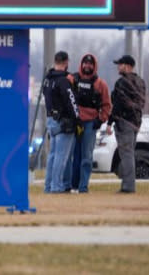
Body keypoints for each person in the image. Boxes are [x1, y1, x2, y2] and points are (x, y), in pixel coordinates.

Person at [64, 53, 112, 193]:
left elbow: (107, 105)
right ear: (81, 64)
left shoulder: (100, 84)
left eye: (90, 64)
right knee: (73, 155)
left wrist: (101, 119)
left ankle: (83, 187)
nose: (87, 66)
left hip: (90, 124)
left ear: (94, 66)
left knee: (87, 157)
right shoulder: (72, 79)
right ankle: (72, 185)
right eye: (85, 63)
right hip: (75, 123)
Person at [106, 54, 146, 194]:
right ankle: (128, 185)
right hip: (135, 122)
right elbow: (141, 103)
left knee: (126, 155)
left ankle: (128, 187)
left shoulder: (122, 83)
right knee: (130, 154)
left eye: (120, 64)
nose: (118, 67)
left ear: (127, 66)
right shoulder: (140, 82)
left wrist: (109, 122)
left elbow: (117, 104)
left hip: (124, 122)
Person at [42, 51, 80, 194]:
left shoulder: (48, 79)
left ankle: (48, 186)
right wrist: (77, 120)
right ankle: (56, 186)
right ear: (66, 62)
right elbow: (71, 101)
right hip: (64, 122)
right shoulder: (64, 81)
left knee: (52, 155)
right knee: (61, 157)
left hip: (51, 119)